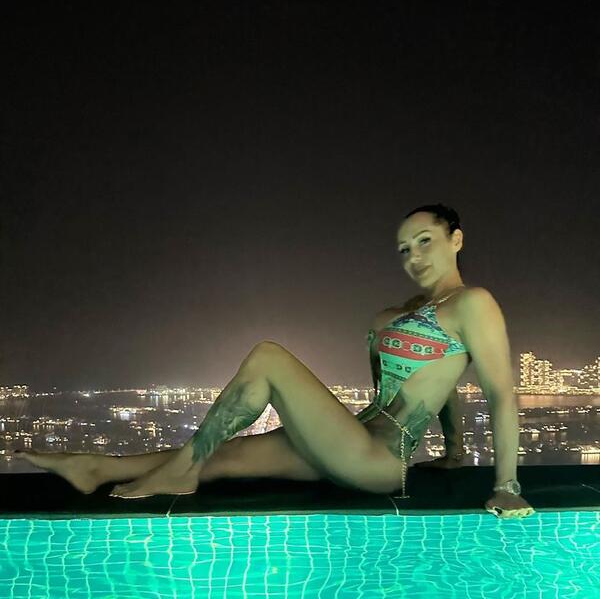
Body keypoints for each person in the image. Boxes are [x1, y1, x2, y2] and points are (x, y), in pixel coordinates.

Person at [16, 203, 534, 518]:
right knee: (224, 456)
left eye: (425, 242)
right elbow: (440, 383)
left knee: (268, 357)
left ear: (455, 239)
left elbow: (499, 394)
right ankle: (94, 468)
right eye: (403, 249)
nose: (414, 257)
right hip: (350, 439)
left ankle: (177, 472)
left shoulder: (474, 303)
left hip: (377, 461)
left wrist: (506, 486)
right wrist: (454, 452)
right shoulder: (407, 310)